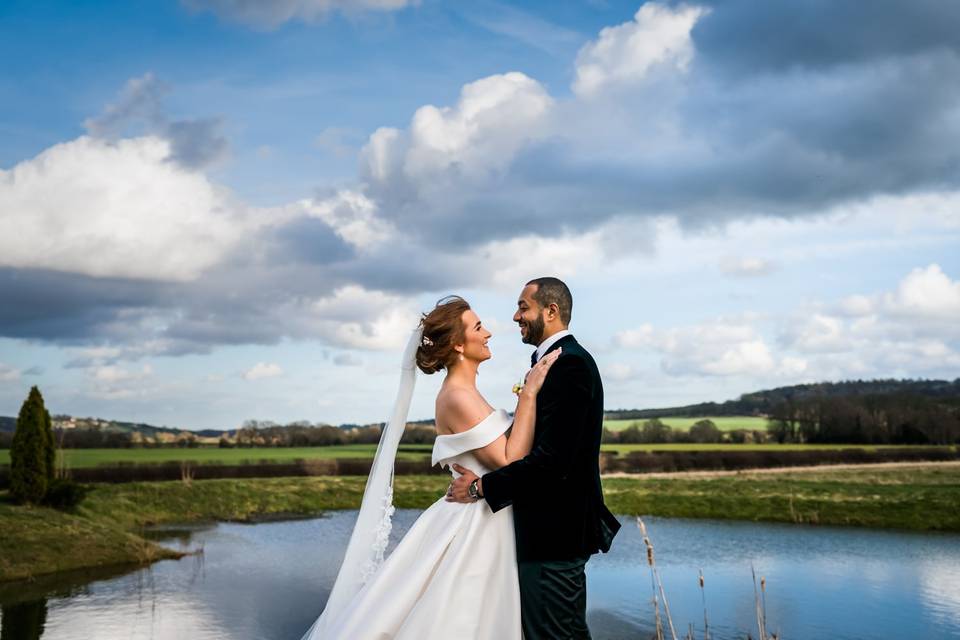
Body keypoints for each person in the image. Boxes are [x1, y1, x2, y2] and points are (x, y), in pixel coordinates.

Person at [300, 295, 560, 639]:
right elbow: (510, 460)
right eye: (478, 327)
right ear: (457, 345)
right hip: (475, 526)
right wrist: (528, 396)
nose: (489, 333)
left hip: (488, 514)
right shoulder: (456, 396)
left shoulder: (468, 392)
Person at [448, 277, 621, 640]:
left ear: (551, 311)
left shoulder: (569, 366)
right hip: (547, 535)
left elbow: (552, 463)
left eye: (523, 307)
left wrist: (480, 487)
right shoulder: (553, 363)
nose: (515, 316)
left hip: (554, 535)